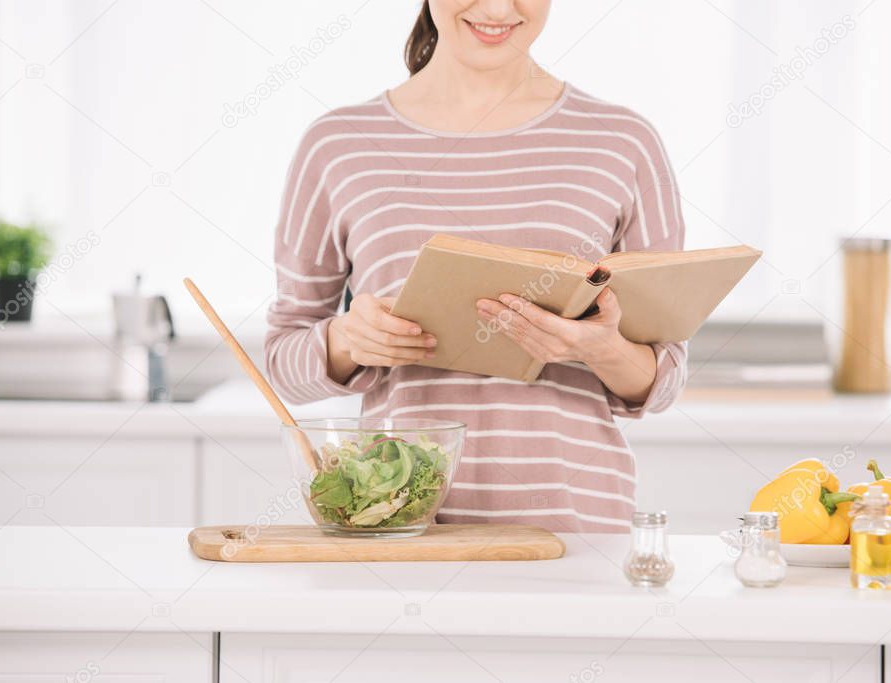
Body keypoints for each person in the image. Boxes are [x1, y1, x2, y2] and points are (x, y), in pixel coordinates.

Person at [266, 0, 686, 532]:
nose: (495, 7)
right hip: (400, 527)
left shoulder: (624, 142)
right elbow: (284, 362)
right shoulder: (338, 145)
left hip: (575, 532)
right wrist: (349, 340)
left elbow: (666, 375)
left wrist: (603, 351)